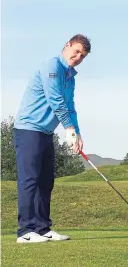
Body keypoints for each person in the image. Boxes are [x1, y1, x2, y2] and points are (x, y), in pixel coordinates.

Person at [13, 34, 91, 243]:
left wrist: (77, 132)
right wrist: (68, 129)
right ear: (67, 45)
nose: (77, 57)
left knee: (46, 181)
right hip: (28, 129)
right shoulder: (51, 66)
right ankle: (25, 232)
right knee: (29, 180)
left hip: (46, 133)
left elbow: (70, 106)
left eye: (82, 56)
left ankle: (42, 228)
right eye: (76, 51)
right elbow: (55, 99)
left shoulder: (70, 76)